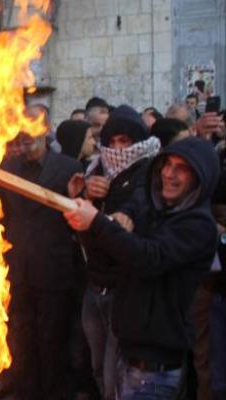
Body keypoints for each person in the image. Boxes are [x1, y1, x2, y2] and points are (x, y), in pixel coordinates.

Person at [64, 137, 219, 399]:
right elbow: (112, 251)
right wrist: (85, 211)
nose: (169, 173)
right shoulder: (155, 212)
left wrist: (98, 222)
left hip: (155, 371)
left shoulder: (198, 225)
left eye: (181, 168)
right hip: (128, 355)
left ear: (200, 178)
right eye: (167, 164)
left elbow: (148, 258)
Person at [74, 105, 161, 399]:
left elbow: (140, 205)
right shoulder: (97, 169)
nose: (118, 148)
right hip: (95, 285)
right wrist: (86, 194)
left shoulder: (151, 169)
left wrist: (124, 214)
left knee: (115, 373)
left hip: (124, 289)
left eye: (125, 141)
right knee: (98, 367)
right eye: (112, 141)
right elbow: (83, 224)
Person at [0, 130, 83, 399]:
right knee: (21, 340)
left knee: (52, 340)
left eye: (32, 127)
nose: (26, 135)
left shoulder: (69, 167)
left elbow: (78, 214)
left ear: (45, 129)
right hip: (17, 269)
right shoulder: (6, 168)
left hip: (53, 268)